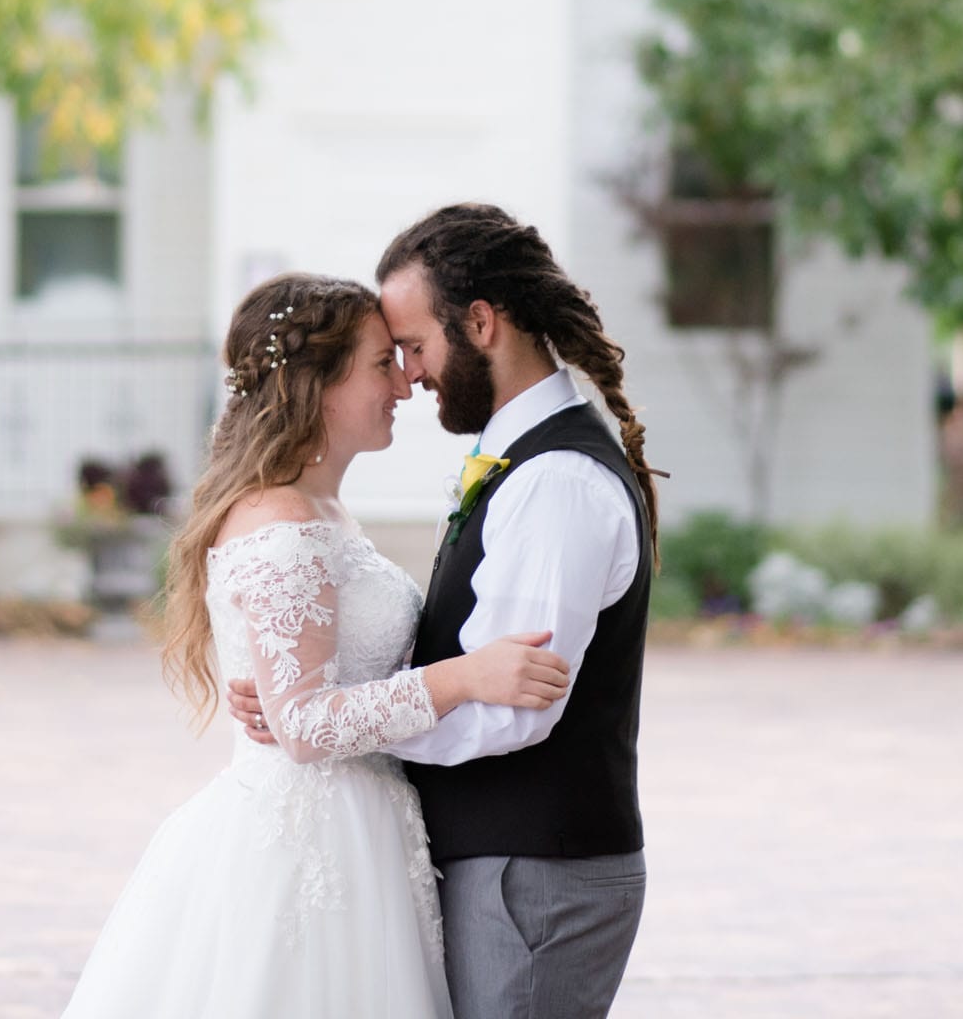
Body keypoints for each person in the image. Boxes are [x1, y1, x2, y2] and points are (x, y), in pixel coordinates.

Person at [62, 272, 573, 1019]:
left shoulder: (322, 509)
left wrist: (295, 693)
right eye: (379, 363)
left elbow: (312, 696)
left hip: (363, 829)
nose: (403, 383)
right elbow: (305, 727)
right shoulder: (283, 523)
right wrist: (465, 678)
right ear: (318, 387)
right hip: (307, 843)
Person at [229, 204, 659, 1019]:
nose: (410, 375)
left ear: (483, 324)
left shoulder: (554, 483)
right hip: (505, 866)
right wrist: (318, 700)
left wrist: (327, 721)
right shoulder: (515, 465)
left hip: (534, 875)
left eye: (416, 348)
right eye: (389, 359)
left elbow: (509, 711)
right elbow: (463, 670)